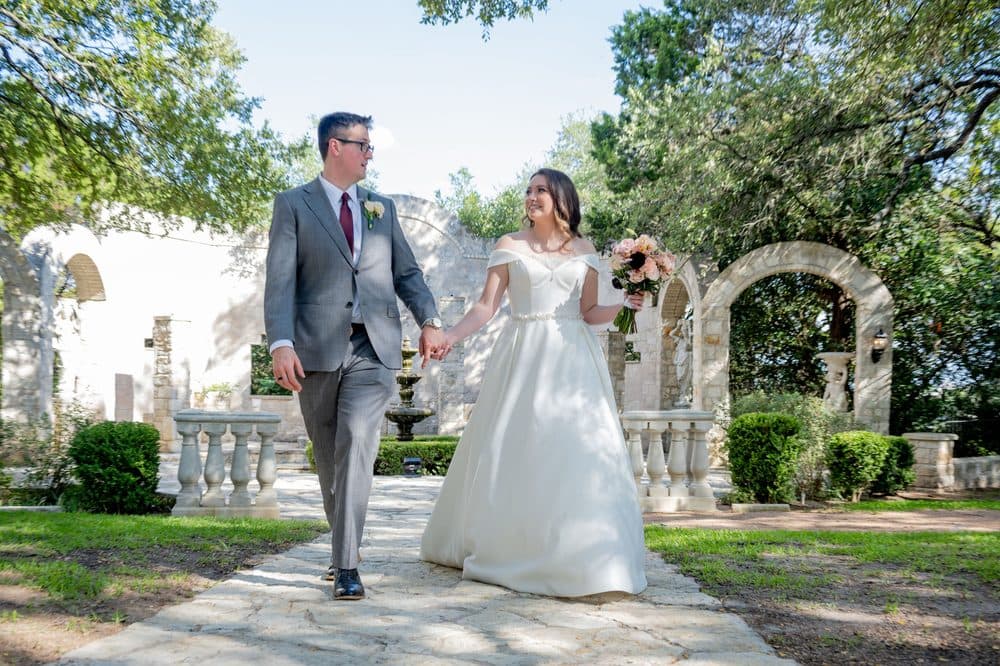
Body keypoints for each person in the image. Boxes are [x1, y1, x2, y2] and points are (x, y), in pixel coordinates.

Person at [420, 168, 648, 597]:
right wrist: (449, 335)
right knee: (520, 444)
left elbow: (589, 313)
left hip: (573, 357)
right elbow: (487, 307)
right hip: (523, 352)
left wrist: (623, 303)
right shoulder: (509, 246)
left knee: (576, 450)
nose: (531, 197)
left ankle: (581, 551)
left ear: (562, 198)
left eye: (541, 190)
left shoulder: (584, 249)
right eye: (528, 190)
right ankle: (514, 544)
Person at [264, 112, 445, 601]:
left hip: (374, 346)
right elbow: (280, 282)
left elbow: (408, 274)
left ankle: (347, 565)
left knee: (359, 444)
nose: (369, 154)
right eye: (362, 145)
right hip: (316, 349)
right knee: (329, 458)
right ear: (333, 147)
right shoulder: (293, 205)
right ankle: (341, 547)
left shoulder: (380, 208)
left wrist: (429, 320)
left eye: (370, 147)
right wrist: (280, 343)